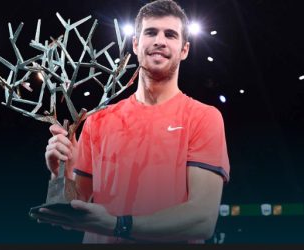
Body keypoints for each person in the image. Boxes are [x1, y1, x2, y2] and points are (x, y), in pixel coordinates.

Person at [34, 0, 230, 244]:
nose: (159, 40)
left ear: (184, 49)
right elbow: (75, 207)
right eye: (150, 32)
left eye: (170, 34)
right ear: (136, 44)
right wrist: (60, 173)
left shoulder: (203, 117)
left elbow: (202, 219)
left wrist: (119, 225)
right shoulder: (98, 118)